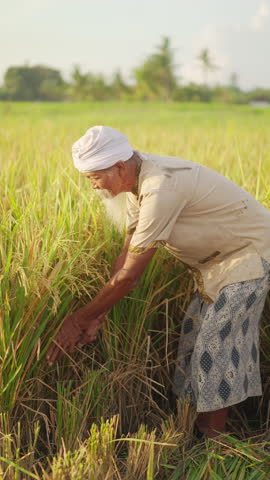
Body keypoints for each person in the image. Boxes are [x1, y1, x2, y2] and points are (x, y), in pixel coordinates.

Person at [46, 125, 270, 438]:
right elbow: (126, 255)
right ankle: (194, 429)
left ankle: (215, 444)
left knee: (216, 343)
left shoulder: (160, 185)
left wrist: (78, 320)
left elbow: (130, 276)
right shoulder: (137, 184)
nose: (93, 186)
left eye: (95, 177)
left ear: (119, 166)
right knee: (193, 339)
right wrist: (96, 315)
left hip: (249, 256)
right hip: (215, 268)